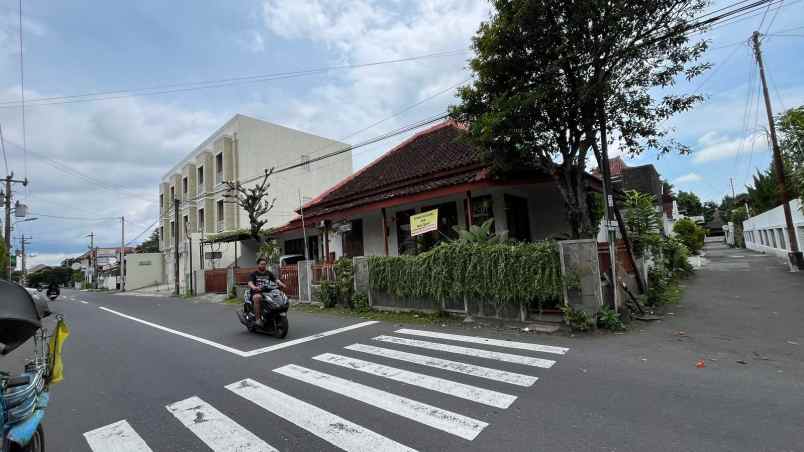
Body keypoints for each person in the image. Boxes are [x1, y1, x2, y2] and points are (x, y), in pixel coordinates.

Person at [247, 257, 285, 327]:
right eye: (261, 264)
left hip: (268, 292)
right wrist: (254, 287)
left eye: (264, 264)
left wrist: (281, 283)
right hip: (257, 292)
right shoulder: (253, 274)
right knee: (257, 297)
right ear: (258, 265)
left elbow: (276, 280)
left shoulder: (269, 273)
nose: (263, 265)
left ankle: (273, 313)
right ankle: (258, 319)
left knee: (279, 294)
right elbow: (250, 282)